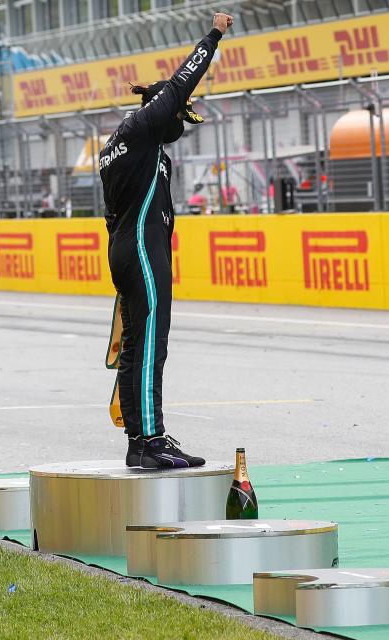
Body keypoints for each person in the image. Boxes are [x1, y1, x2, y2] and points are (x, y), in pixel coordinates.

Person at [99, 12, 233, 469]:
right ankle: (152, 439)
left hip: (126, 246)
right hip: (140, 246)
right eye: (179, 115)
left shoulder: (122, 145)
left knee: (137, 345)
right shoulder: (141, 130)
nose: (181, 122)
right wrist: (213, 36)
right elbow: (181, 83)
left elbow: (111, 214)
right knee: (153, 342)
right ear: (161, 112)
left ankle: (140, 441)